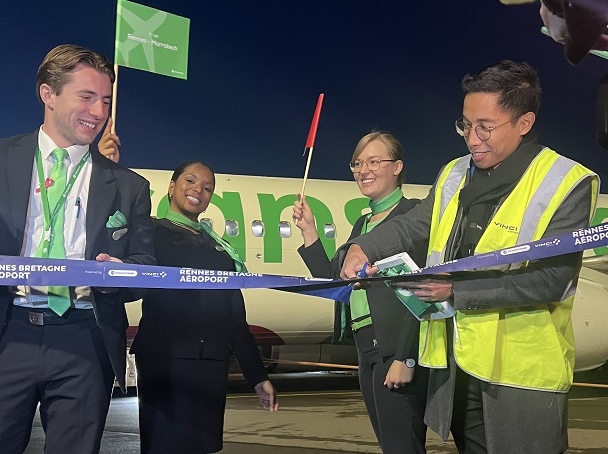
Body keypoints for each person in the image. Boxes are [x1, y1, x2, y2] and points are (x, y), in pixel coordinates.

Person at [339, 61, 599, 453]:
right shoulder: (455, 174)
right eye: (465, 125)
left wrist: (455, 292)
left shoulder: (565, 182)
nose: (472, 139)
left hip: (520, 378)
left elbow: (551, 280)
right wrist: (363, 247)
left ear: (524, 122)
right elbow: (415, 224)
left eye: (485, 127)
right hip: (457, 370)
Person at [0, 44, 155, 453]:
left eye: (105, 100)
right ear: (48, 93)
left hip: (85, 342)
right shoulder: (2, 160)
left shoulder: (129, 187)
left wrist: (116, 276)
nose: (98, 111)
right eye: (86, 97)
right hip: (8, 331)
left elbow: (144, 267)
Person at [129, 160, 279, 454]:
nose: (198, 190)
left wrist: (257, 377)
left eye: (208, 188)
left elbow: (235, 318)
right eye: (190, 181)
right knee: (163, 446)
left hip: (210, 364)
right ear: (172, 187)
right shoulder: (150, 233)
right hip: (164, 359)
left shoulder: (219, 249)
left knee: (202, 447)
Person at [293, 132, 428, 453]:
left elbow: (419, 292)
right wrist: (309, 230)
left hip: (395, 348)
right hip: (367, 347)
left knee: (402, 446)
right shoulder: (363, 224)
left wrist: (406, 357)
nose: (363, 170)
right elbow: (335, 282)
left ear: (397, 167)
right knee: (390, 445)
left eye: (374, 162)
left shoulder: (412, 217)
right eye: (357, 163)